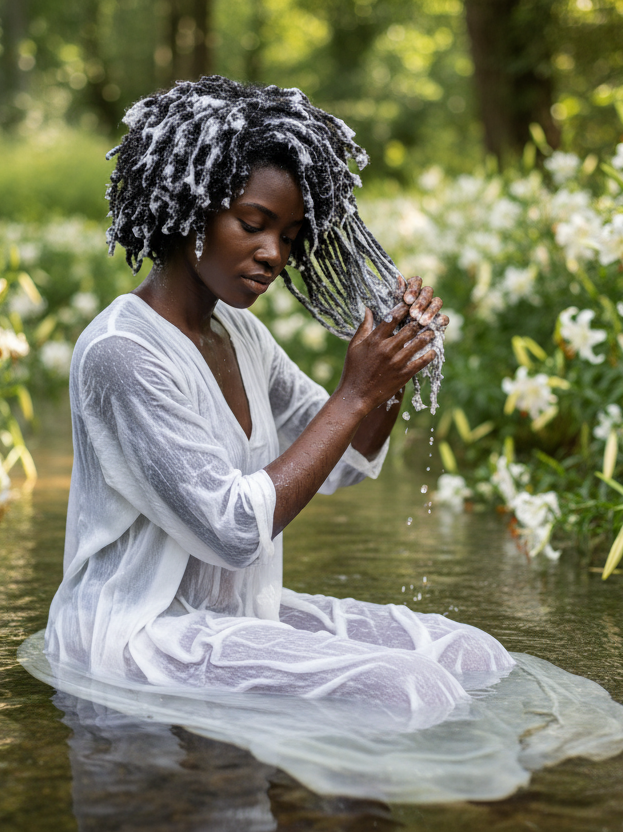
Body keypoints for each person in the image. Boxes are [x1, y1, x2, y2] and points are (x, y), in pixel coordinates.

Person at [42, 76, 514, 726]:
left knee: (470, 654)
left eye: (289, 236)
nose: (273, 255)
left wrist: (392, 365)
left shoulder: (240, 332)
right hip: (135, 633)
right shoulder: (123, 352)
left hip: (238, 615)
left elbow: (344, 459)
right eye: (253, 224)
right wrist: (355, 392)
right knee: (411, 690)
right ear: (188, 209)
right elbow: (232, 530)